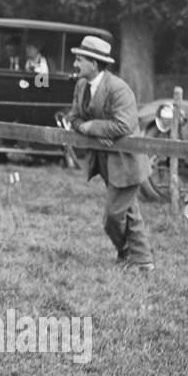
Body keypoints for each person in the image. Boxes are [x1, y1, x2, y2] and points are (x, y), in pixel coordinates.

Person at [62, 35, 154, 270]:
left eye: (80, 60)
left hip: (126, 162)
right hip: (103, 160)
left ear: (94, 63)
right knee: (129, 211)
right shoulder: (81, 86)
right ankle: (142, 261)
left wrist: (92, 127)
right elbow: (73, 117)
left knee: (113, 216)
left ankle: (127, 253)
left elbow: (123, 125)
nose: (75, 64)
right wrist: (87, 128)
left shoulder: (118, 89)